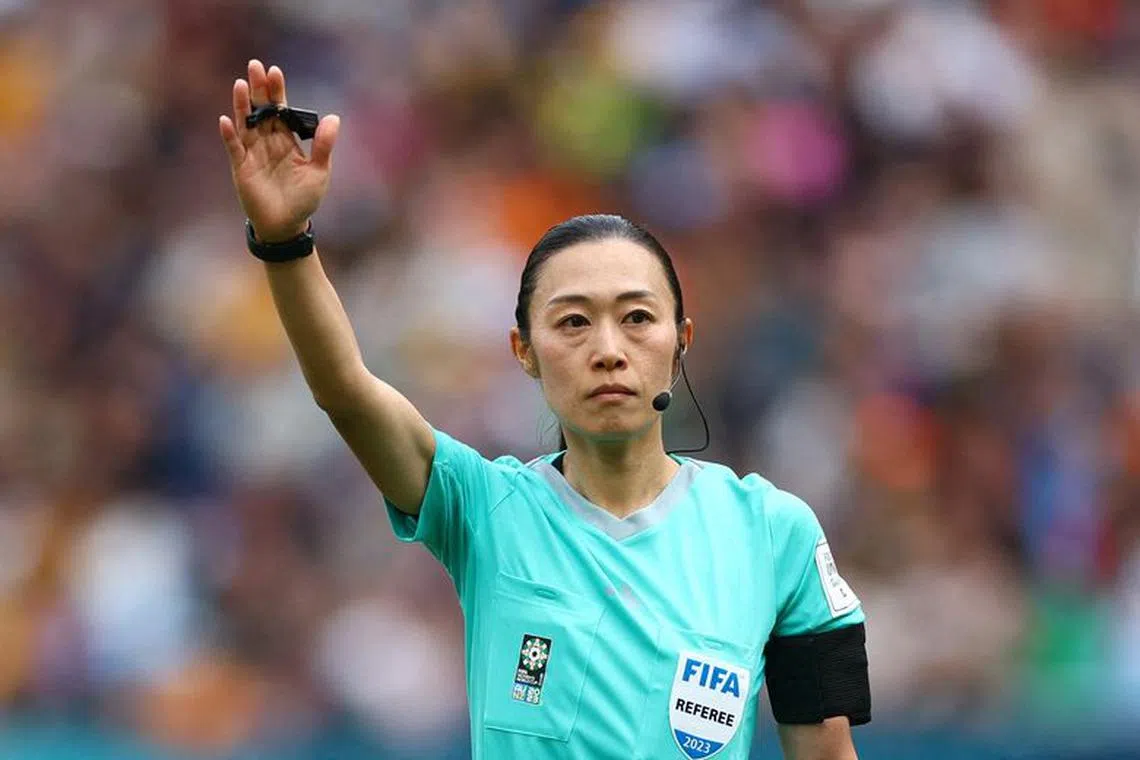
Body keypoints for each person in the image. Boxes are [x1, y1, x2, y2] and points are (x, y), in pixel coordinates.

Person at [219, 59, 870, 760]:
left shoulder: (773, 532)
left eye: (637, 318)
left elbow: (827, 753)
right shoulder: (483, 509)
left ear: (681, 341)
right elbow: (345, 389)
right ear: (524, 352)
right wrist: (285, 242)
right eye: (573, 323)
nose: (609, 350)